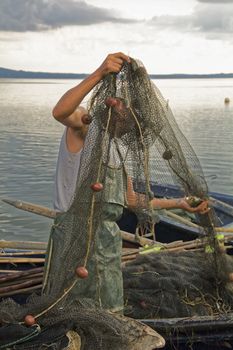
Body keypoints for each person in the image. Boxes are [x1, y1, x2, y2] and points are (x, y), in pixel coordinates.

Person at [48, 52, 209, 313]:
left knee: (109, 314)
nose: (132, 128)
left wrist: (180, 203)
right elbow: (60, 111)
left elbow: (133, 201)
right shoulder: (84, 126)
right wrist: (100, 72)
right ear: (113, 106)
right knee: (72, 311)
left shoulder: (118, 150)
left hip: (108, 243)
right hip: (74, 238)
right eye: (130, 116)